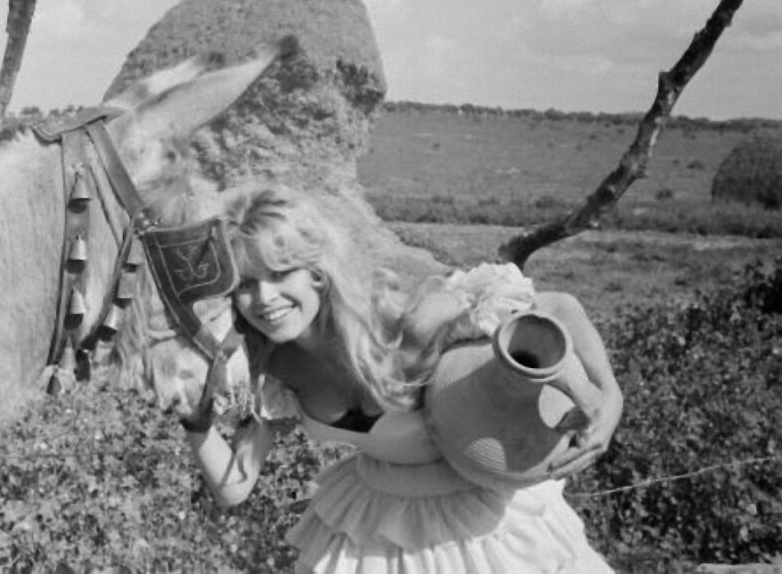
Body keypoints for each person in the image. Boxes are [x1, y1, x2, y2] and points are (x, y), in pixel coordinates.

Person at [178, 184, 622, 573]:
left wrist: (607, 400)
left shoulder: (403, 319)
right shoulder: (271, 369)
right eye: (245, 283)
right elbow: (234, 487)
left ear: (317, 273)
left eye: (279, 274)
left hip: (483, 530)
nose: (263, 298)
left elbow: (560, 308)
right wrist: (194, 422)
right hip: (378, 534)